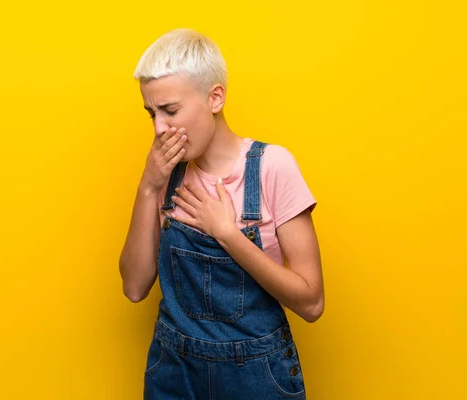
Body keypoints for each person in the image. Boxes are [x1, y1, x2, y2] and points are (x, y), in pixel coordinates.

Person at [119, 28, 325, 400]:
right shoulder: (165, 174)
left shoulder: (271, 167)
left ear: (215, 97)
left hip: (257, 376)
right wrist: (148, 187)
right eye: (151, 113)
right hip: (174, 372)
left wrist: (228, 234)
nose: (159, 128)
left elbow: (312, 303)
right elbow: (134, 288)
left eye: (170, 110)